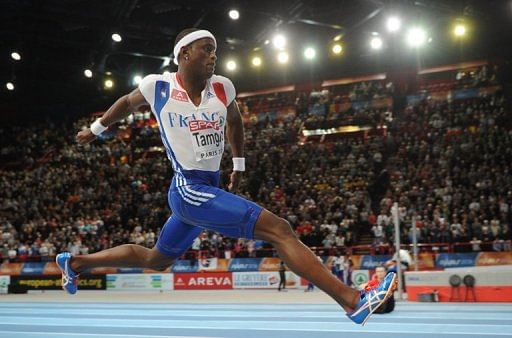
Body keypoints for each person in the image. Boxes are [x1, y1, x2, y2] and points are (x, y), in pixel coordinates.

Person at [55, 28, 396, 325]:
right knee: (280, 229)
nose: (213, 56)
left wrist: (239, 164)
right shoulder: (156, 86)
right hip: (187, 189)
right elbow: (125, 104)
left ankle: (77, 263)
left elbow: (235, 121)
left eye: (215, 50)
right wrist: (95, 129)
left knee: (155, 260)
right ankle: (353, 301)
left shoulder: (222, 88)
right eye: (207, 49)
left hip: (209, 186)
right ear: (184, 54)